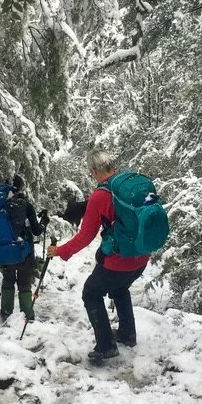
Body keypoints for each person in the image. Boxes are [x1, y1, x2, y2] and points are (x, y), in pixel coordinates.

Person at [47, 149, 149, 364]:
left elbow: (85, 236)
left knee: (91, 293)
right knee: (120, 288)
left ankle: (106, 346)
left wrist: (61, 251)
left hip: (119, 260)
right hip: (141, 256)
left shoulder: (100, 196)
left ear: (93, 171)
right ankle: (127, 334)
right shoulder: (132, 185)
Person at [0, 174, 49, 322]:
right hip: (23, 251)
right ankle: (27, 315)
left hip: (5, 251)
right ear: (21, 188)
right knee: (24, 283)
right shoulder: (26, 205)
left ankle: (6, 312)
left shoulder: (0, 205)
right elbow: (36, 231)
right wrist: (44, 221)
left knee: (8, 281)